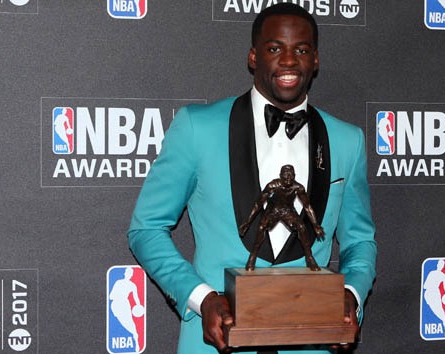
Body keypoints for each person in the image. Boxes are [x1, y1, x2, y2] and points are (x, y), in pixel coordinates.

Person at [128, 4, 377, 354]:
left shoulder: (347, 141)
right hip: (215, 343)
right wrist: (202, 299)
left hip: (311, 342)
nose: (289, 61)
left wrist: (349, 294)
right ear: (253, 57)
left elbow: (359, 241)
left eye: (301, 49)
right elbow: (146, 229)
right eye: (275, 48)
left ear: (316, 60)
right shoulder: (198, 128)